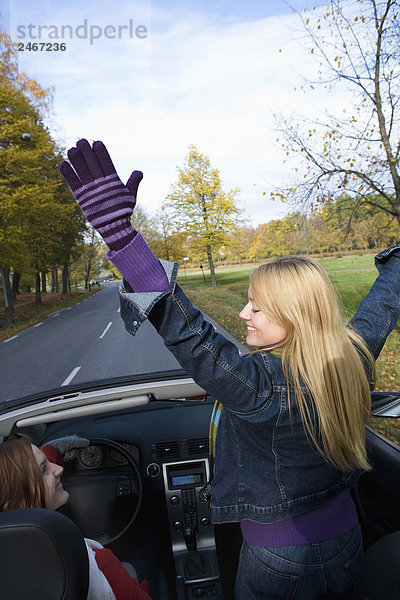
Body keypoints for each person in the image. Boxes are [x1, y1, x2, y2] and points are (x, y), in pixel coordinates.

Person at [60, 139, 400, 600]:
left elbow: (192, 335)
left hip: (282, 563)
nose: (242, 313)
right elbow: (384, 301)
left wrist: (126, 243)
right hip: (346, 541)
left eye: (257, 308)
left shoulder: (261, 389)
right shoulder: (351, 356)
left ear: (296, 316)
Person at [0, 436, 151, 600]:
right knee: (145, 537)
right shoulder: (95, 562)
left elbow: (23, 483)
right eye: (44, 469)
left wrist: (50, 453)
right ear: (15, 505)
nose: (59, 469)